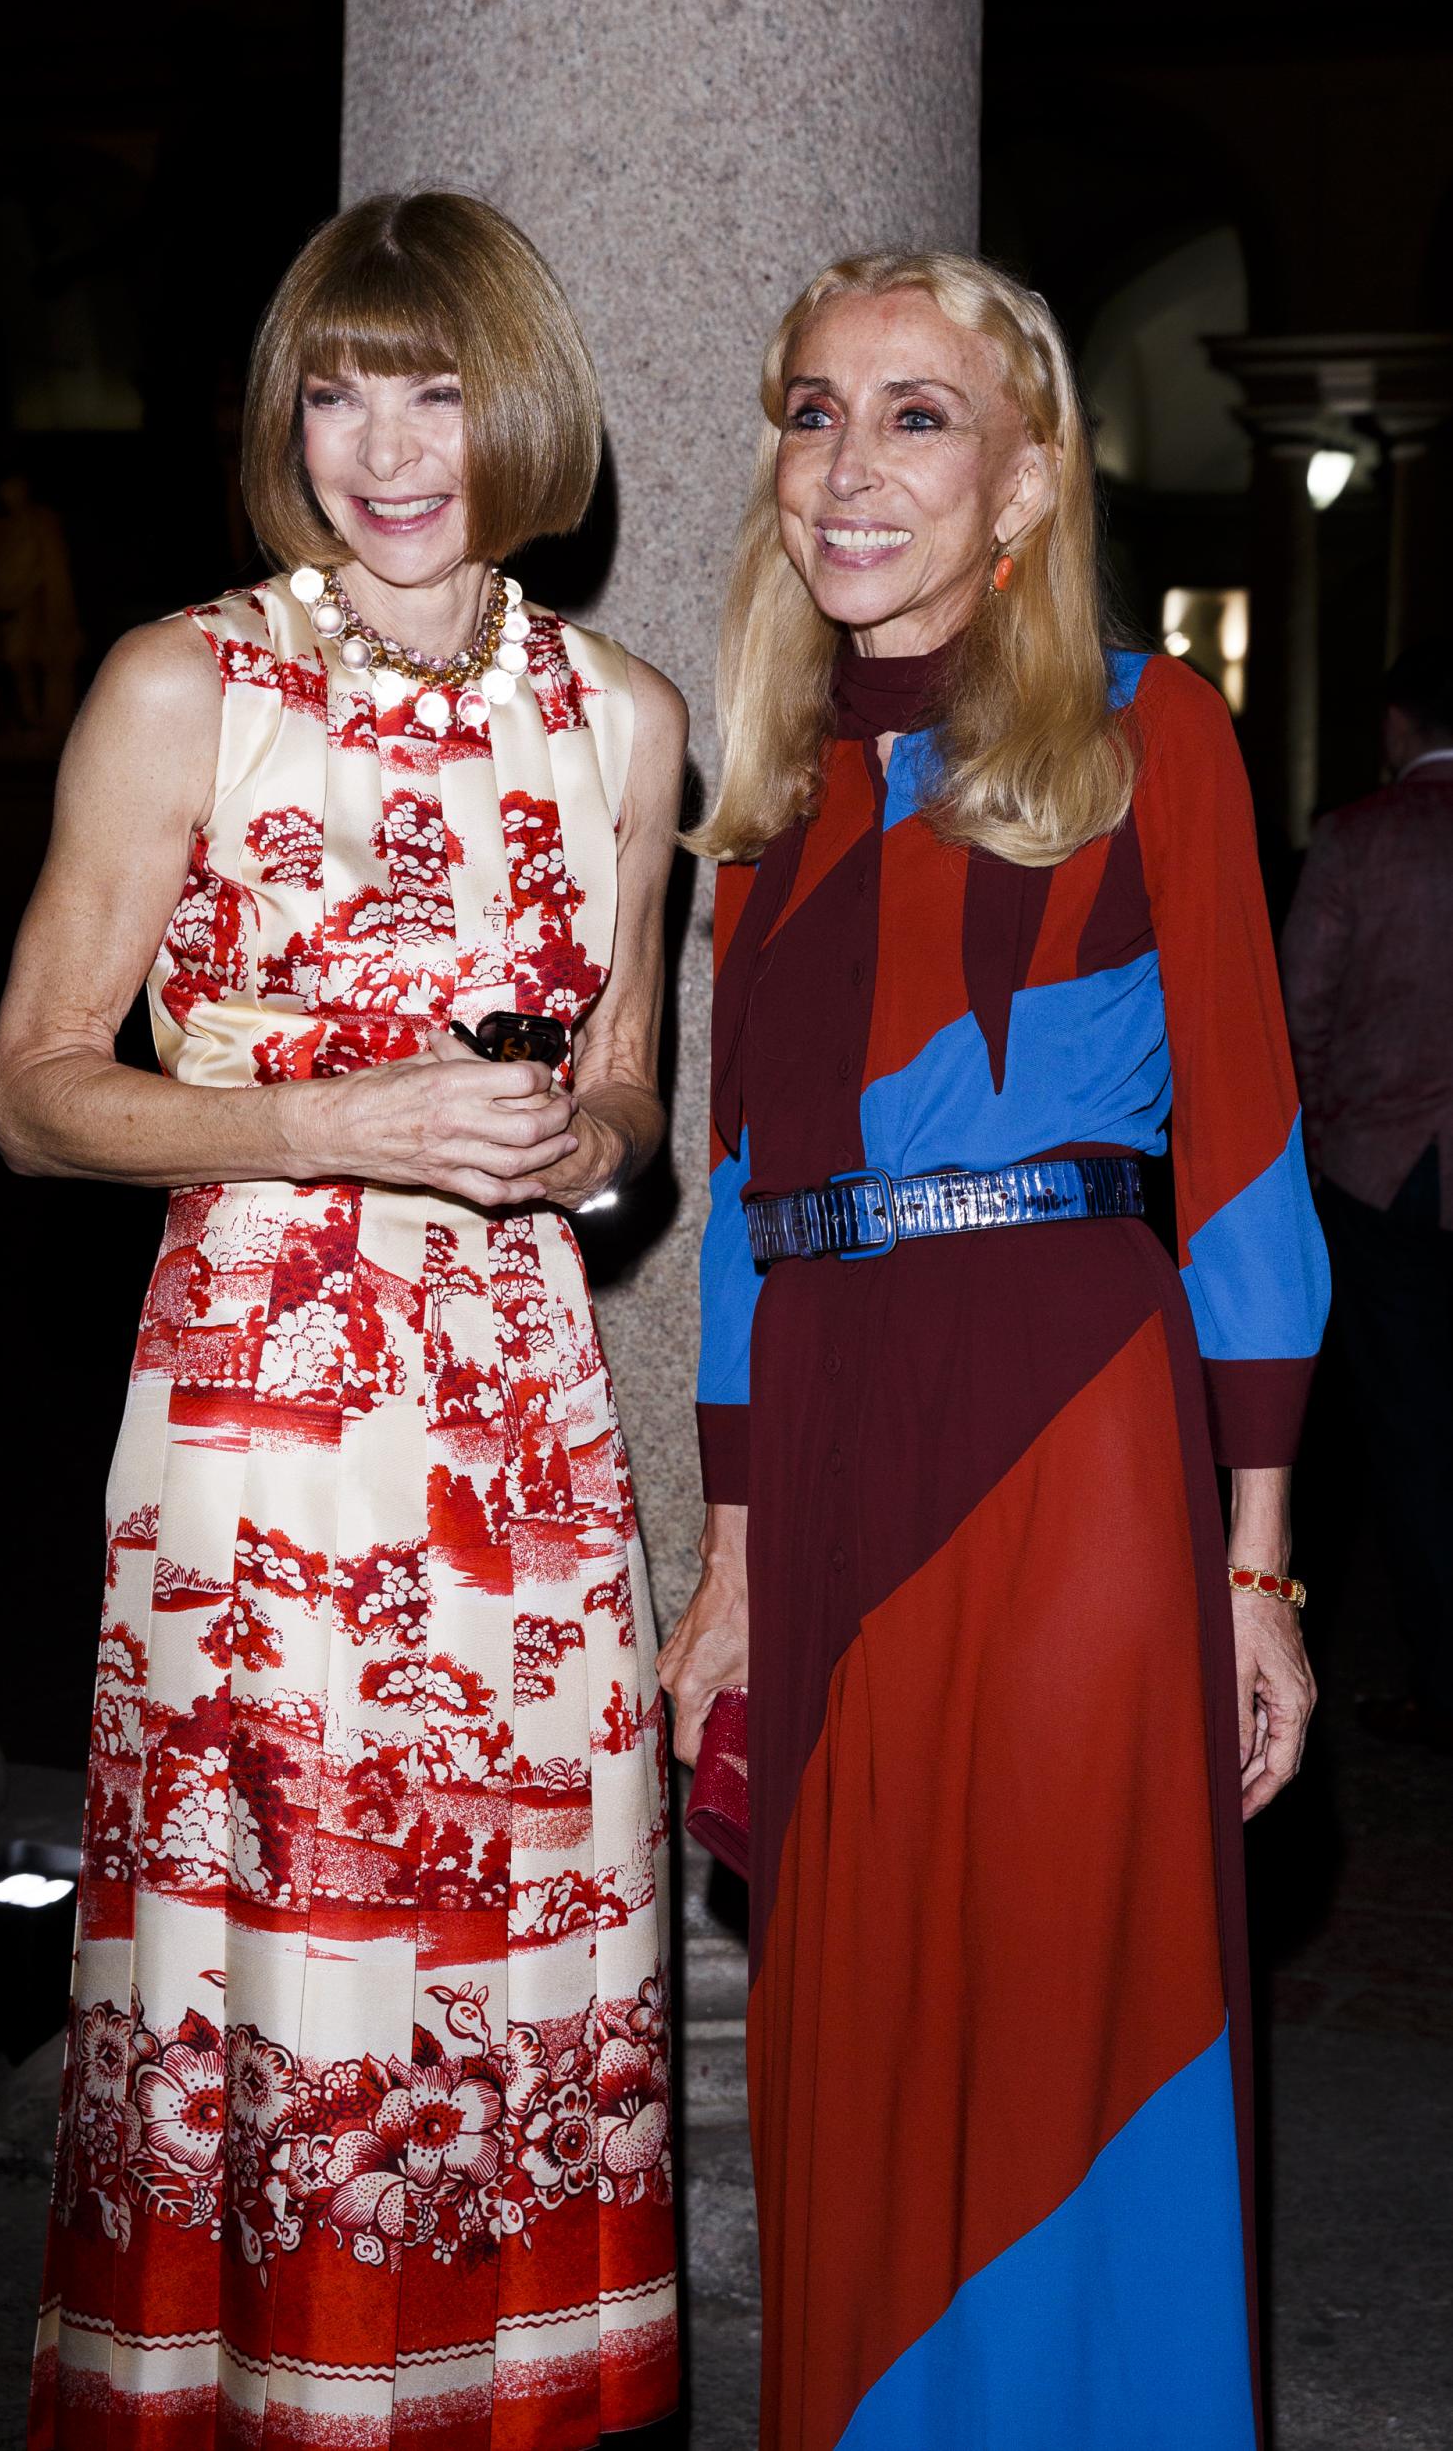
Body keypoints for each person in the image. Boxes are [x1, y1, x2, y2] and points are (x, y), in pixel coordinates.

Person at [0, 189, 685, 2450]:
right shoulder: (183, 682)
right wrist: (345, 1116)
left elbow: (637, 1110)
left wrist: (573, 1143)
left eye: (440, 387)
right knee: (285, 1964)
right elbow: (31, 1095)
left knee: (517, 1957)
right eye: (338, 387)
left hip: (524, 1441)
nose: (387, 447)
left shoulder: (629, 723)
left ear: (529, 410)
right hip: (266, 1433)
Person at [658, 249, 1328, 2448]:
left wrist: (1252, 1560)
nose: (846, 465)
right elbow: (749, 1225)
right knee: (847, 2023)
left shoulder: (1152, 734)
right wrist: (728, 1560)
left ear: (1027, 473)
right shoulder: (760, 812)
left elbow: (1234, 1157)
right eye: (811, 408)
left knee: (1061, 2001)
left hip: (1066, 1444)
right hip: (834, 1448)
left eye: (917, 414)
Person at [1282, 639, 1453, 1753]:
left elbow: (1295, 1020)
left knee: (1409, 1437)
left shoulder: (1353, 840)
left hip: (1379, 1179)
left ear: (1398, 723)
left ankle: (1437, 1687)